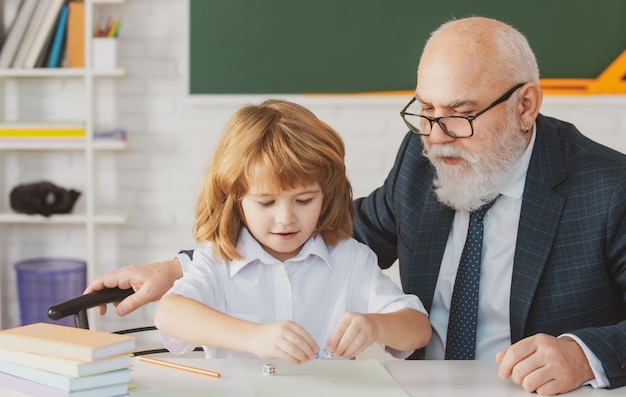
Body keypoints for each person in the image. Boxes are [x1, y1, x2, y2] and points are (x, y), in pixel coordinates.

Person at [86, 17, 626, 395]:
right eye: (426, 111)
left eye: (458, 115)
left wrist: (586, 355)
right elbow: (334, 232)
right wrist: (178, 266)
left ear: (525, 104)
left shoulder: (607, 187)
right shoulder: (423, 158)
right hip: (420, 388)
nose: (436, 138)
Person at [152, 99, 431, 363]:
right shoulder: (217, 260)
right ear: (234, 199)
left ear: (326, 194)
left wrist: (375, 325)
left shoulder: (350, 259)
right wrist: (253, 337)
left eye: (304, 200)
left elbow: (418, 329)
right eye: (267, 202)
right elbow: (169, 314)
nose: (286, 218)